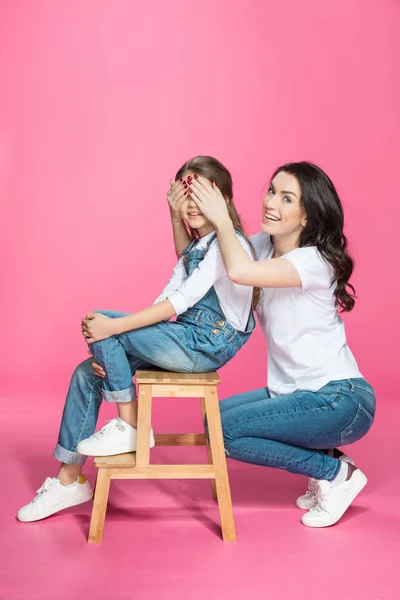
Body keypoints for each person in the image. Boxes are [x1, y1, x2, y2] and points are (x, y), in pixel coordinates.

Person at [17, 156, 257, 523]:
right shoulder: (198, 247)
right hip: (184, 337)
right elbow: (166, 297)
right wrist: (114, 348)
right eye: (184, 194)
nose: (190, 203)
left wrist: (117, 331)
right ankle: (68, 480)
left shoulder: (230, 242)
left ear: (222, 198)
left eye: (199, 194)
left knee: (108, 322)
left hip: (205, 344)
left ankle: (131, 426)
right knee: (88, 371)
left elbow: (181, 301)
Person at [170, 162, 376, 528]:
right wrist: (177, 217)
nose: (271, 203)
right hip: (293, 391)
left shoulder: (313, 262)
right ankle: (332, 463)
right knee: (213, 423)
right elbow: (201, 269)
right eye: (271, 191)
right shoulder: (262, 247)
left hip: (340, 398)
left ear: (307, 217)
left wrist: (221, 218)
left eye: (286, 198)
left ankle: (334, 474)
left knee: (227, 433)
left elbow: (238, 272)